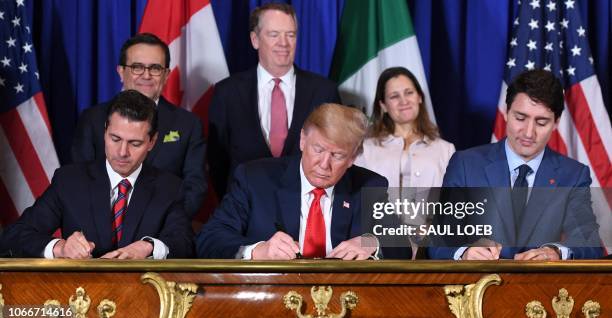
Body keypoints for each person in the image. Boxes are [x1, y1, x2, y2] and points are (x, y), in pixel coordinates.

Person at [196, 103, 410, 260]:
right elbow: (209, 239)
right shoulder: (255, 179)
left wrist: (370, 242)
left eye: (337, 156)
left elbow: (401, 246)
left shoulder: (368, 185)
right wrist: (258, 250)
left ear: (352, 158)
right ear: (302, 140)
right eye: (318, 150)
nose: (324, 164)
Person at [428, 70, 602, 260]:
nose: (528, 133)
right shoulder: (465, 165)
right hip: (478, 285)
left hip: (541, 288)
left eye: (541, 122)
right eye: (520, 118)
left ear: (556, 123)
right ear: (507, 113)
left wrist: (555, 252)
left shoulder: (574, 175)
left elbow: (588, 243)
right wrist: (465, 253)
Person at [4, 90, 193, 259]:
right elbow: (15, 235)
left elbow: (184, 244)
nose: (122, 152)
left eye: (135, 143)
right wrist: (60, 248)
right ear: (104, 132)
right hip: (80, 294)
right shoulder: (69, 181)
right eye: (115, 139)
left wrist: (149, 247)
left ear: (152, 142)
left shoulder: (169, 188)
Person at [207, 3, 340, 199]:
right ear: (255, 39)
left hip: (306, 210)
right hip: (244, 210)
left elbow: (336, 152)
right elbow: (218, 162)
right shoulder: (227, 92)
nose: (283, 43)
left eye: (290, 34)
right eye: (274, 34)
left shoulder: (324, 91)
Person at [71, 33, 206, 218]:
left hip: (163, 232)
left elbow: (194, 188)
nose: (146, 75)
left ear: (166, 74)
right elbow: (78, 180)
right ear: (120, 71)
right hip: (101, 230)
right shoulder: (92, 119)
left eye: (155, 68)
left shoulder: (188, 124)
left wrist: (161, 224)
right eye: (137, 67)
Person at [354, 67, 455, 259]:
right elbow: (357, 202)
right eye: (394, 96)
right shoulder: (366, 149)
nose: (403, 101)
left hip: (431, 248)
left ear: (419, 97)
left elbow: (453, 204)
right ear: (383, 104)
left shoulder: (445, 149)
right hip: (378, 250)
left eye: (409, 93)